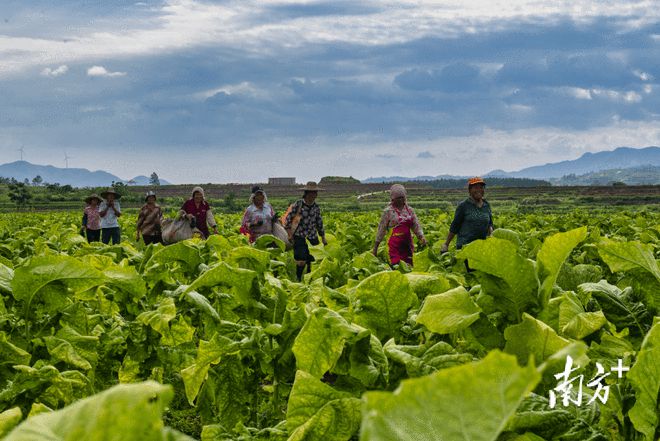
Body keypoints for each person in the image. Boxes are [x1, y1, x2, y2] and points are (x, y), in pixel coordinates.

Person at [372, 184, 427, 266]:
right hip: (393, 247)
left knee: (409, 266)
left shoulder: (410, 210)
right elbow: (381, 229)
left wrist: (421, 237)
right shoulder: (388, 211)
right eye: (398, 198)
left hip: (407, 245)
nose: (401, 200)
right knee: (396, 266)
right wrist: (375, 248)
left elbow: (416, 225)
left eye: (402, 197)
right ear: (393, 199)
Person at [284, 181, 327, 281]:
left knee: (312, 260)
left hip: (312, 236)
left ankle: (309, 279)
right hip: (299, 236)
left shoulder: (316, 207)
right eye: (312, 192)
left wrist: (323, 237)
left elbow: (319, 223)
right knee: (301, 261)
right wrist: (289, 234)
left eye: (315, 193)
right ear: (306, 193)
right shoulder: (298, 205)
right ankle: (298, 278)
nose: (314, 195)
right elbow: (288, 220)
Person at [440, 177, 493, 253]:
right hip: (464, 248)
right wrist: (446, 244)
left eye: (481, 187)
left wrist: (491, 237)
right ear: (470, 190)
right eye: (475, 187)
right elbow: (455, 226)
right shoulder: (463, 206)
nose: (479, 190)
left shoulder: (486, 205)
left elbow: (490, 224)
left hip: (481, 248)